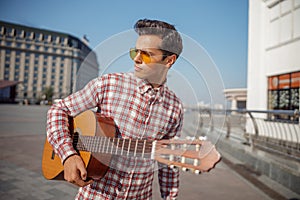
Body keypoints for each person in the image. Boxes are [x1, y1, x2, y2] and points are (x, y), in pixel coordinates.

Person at [47, 18, 184, 200]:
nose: (136, 58)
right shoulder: (108, 84)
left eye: (146, 54)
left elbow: (168, 164)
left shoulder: (175, 108)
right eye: (135, 51)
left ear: (169, 60)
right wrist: (68, 155)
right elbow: (59, 109)